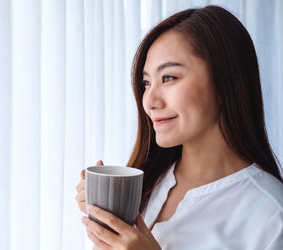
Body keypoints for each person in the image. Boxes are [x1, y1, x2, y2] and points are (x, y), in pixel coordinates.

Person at [75, 5, 283, 250]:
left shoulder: (271, 217)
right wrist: (103, 219)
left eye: (169, 78)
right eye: (146, 83)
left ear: (224, 80)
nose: (149, 102)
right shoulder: (146, 184)